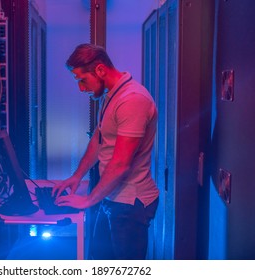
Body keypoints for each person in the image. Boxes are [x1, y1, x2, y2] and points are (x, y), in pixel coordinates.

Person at [53, 43, 159, 260]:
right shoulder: (113, 95)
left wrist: (88, 200)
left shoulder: (132, 100)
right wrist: (76, 176)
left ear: (100, 70)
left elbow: (121, 164)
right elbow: (99, 140)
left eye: (83, 80)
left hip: (130, 205)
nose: (81, 88)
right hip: (113, 197)